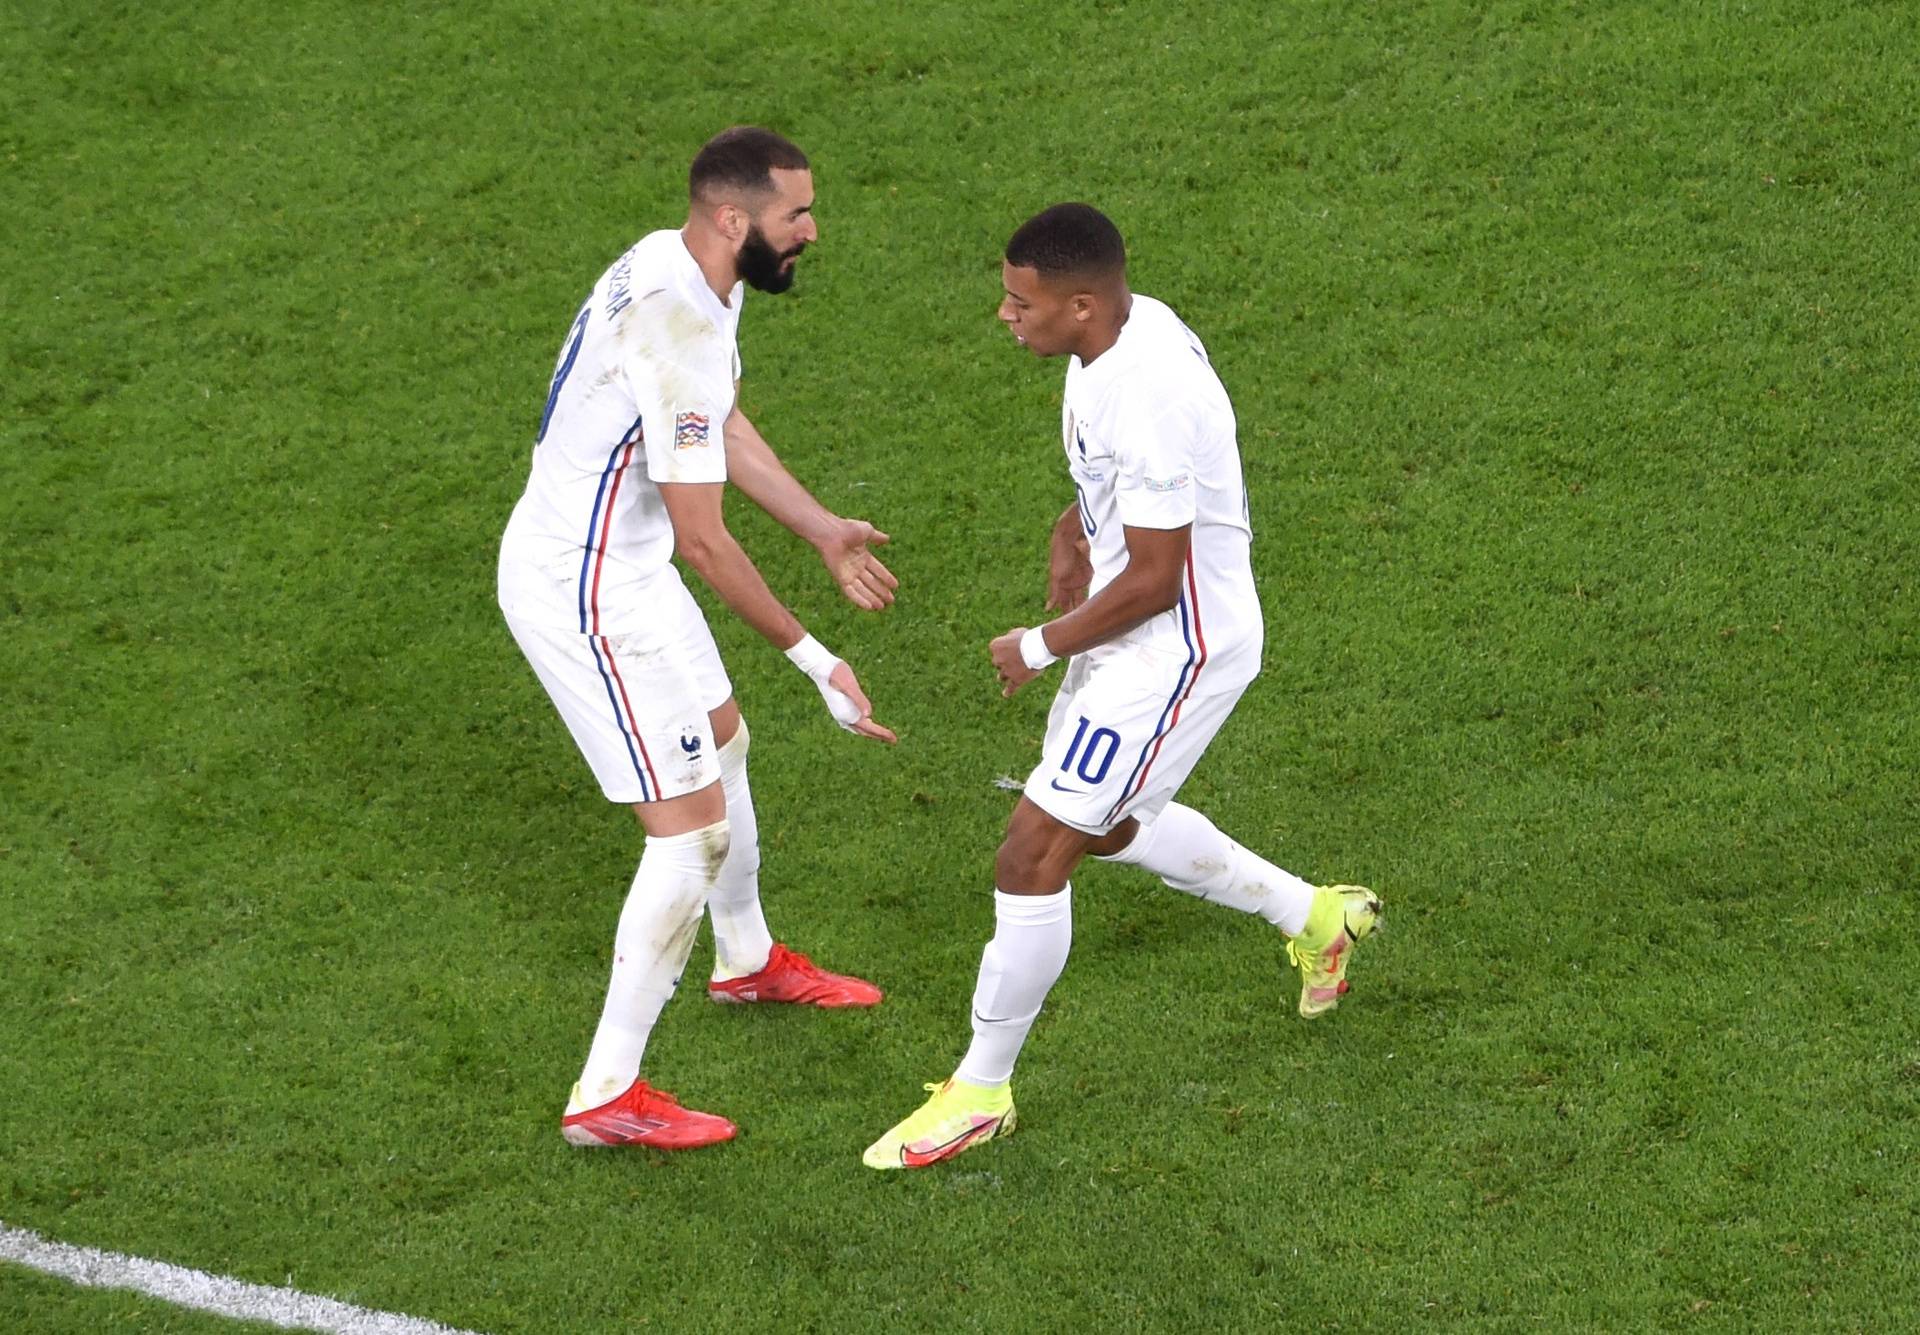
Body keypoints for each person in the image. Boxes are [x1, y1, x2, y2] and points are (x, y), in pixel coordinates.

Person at [863, 203, 1383, 1170]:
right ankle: (1317, 914)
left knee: (1033, 850)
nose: (1006, 317)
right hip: (1135, 630)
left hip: (1172, 648)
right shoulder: (1118, 339)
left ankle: (980, 1091)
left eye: (1022, 303)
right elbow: (1132, 489)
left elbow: (1156, 579)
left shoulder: (1143, 388)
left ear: (1084, 305)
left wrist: (1039, 643)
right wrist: (1073, 529)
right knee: (1099, 823)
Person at [498, 127, 898, 1152]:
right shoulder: (677, 317)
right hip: (585, 593)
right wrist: (819, 661)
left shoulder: (678, 267)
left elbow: (712, 417)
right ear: (734, 220)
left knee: (723, 741)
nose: (810, 231)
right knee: (689, 834)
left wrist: (821, 528)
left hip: (622, 564)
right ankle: (604, 1093)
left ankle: (745, 958)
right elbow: (707, 543)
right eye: (794, 215)